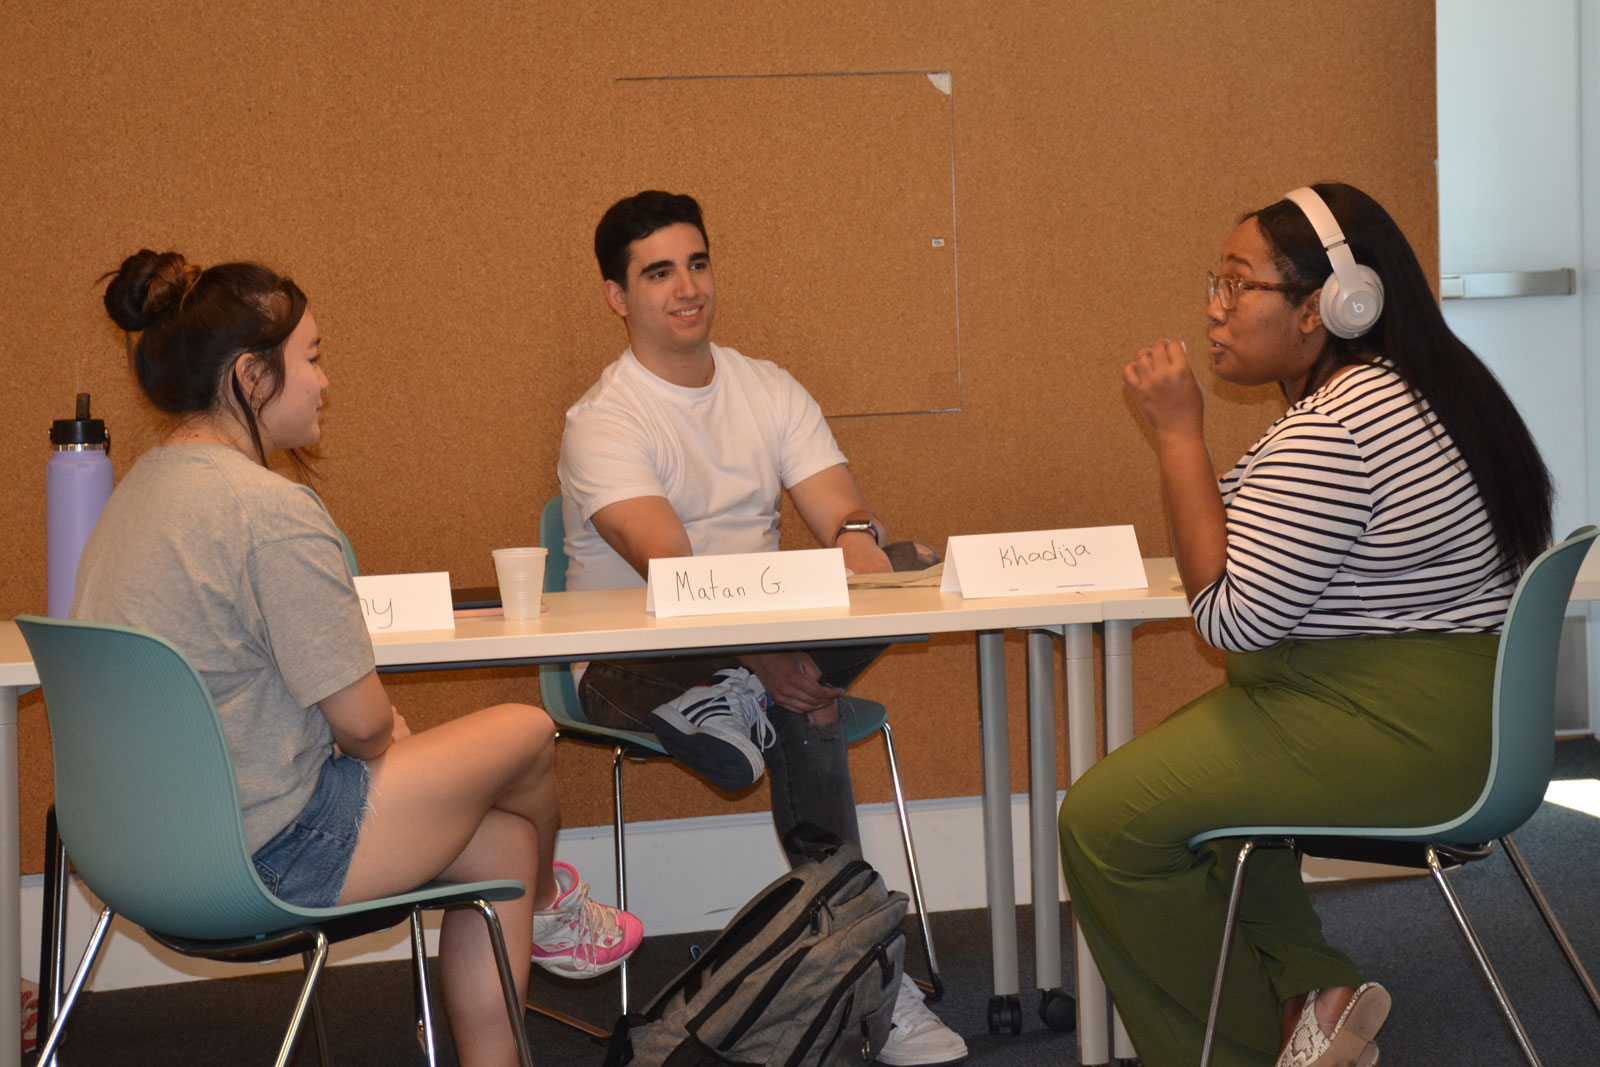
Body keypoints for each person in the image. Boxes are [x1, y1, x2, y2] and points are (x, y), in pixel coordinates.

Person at [75, 250, 644, 1067]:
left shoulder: (135, 494)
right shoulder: (267, 509)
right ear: (252, 376)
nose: (324, 381)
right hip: (267, 851)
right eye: (311, 356)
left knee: (505, 845)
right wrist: (387, 735)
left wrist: (379, 741)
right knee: (524, 730)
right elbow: (365, 724)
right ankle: (556, 904)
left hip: (137, 850)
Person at [1058, 182, 1554, 1067]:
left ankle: (1244, 1052)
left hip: (1393, 731)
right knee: (1198, 801)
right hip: (1445, 719)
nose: (1213, 310)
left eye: (1237, 285)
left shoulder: (1338, 427)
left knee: (1105, 824)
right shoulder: (1423, 391)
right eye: (1214, 282)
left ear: (1330, 305)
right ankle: (1308, 998)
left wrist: (1178, 435)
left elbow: (1231, 620)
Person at [557, 191, 966, 1066]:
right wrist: (774, 659)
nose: (687, 287)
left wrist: (856, 544)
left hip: (765, 639)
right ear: (616, 296)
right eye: (658, 272)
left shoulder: (766, 385)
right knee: (799, 707)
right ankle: (877, 987)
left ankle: (747, 699)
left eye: (697, 263)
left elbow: (839, 510)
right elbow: (674, 570)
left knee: (901, 561)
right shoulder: (605, 420)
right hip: (637, 656)